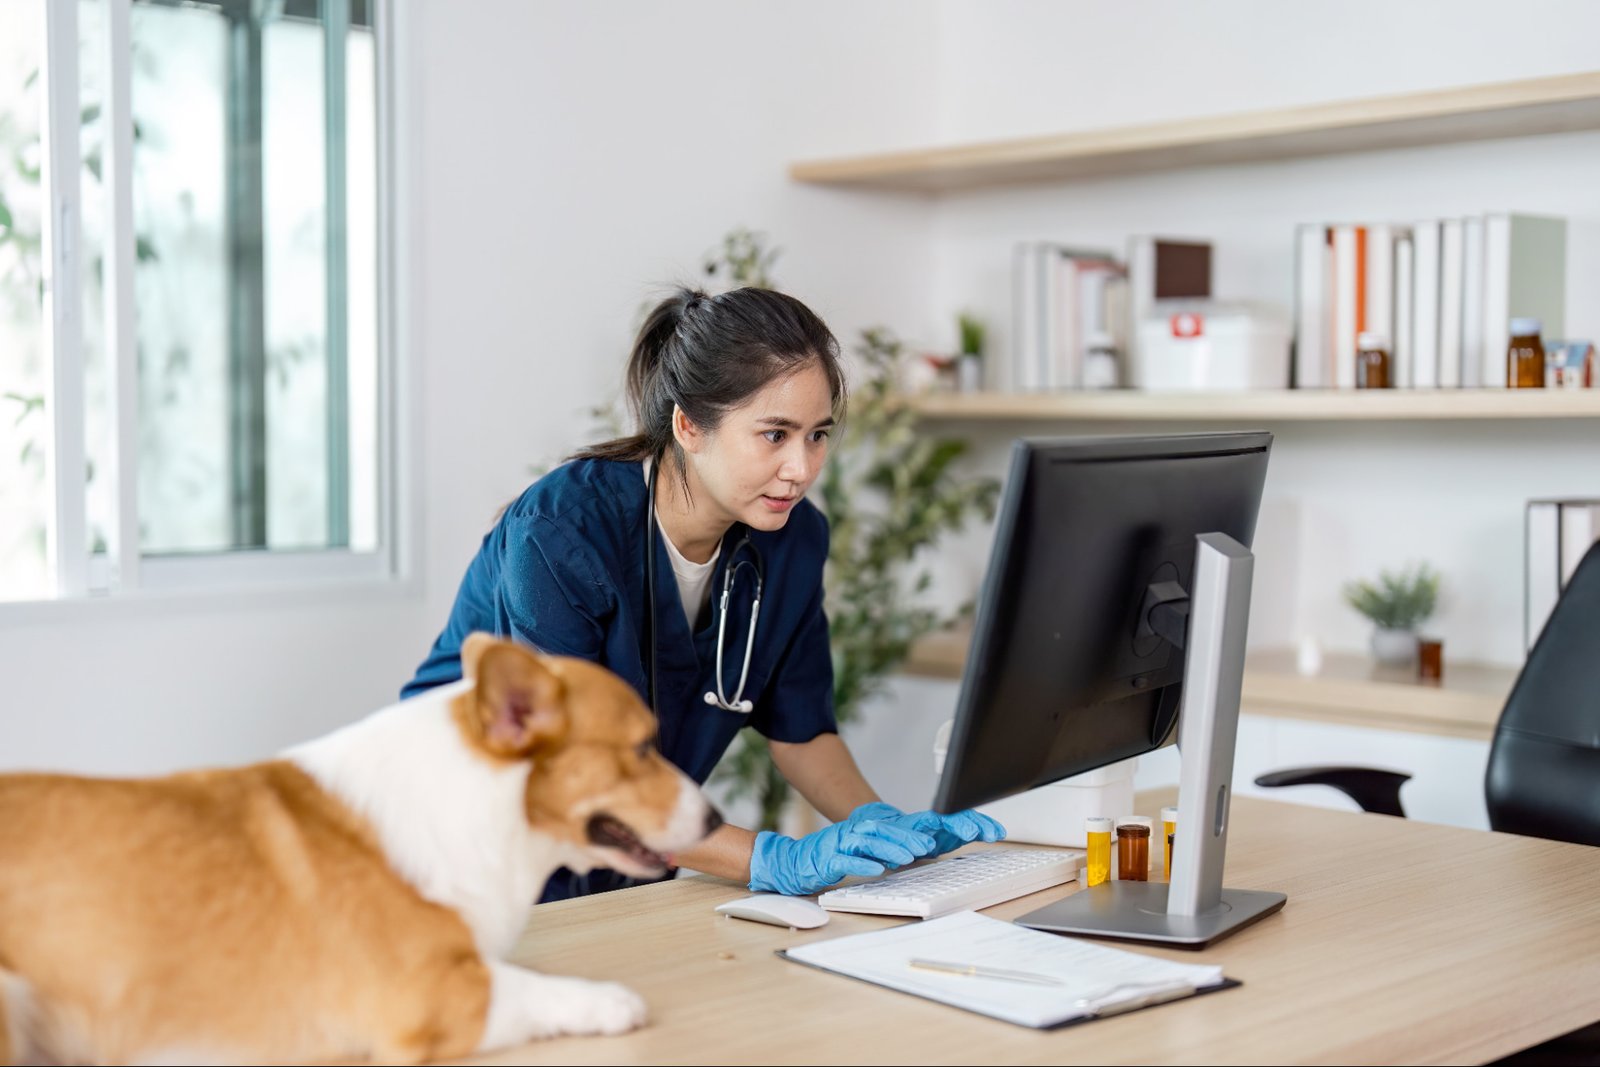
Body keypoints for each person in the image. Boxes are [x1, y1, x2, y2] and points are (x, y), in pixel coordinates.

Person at [403, 285, 1003, 902]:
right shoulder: (560, 534)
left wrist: (880, 829)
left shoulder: (792, 541)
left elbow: (802, 733)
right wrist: (776, 858)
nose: (802, 468)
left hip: (622, 868)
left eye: (818, 435)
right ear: (688, 426)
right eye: (775, 434)